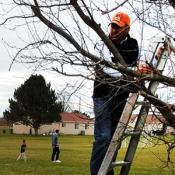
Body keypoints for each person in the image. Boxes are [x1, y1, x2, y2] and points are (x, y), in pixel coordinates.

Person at [90, 12, 139, 175]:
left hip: (121, 98)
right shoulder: (101, 43)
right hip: (102, 95)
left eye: (118, 27)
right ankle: (96, 172)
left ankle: (107, 172)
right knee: (103, 137)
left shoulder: (133, 44)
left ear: (127, 28)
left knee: (114, 140)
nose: (114, 30)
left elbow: (134, 66)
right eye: (112, 26)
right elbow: (108, 70)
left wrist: (128, 69)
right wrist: (128, 71)